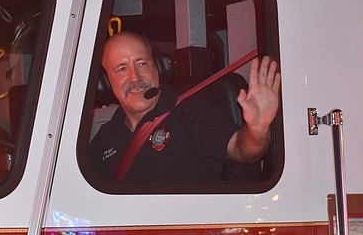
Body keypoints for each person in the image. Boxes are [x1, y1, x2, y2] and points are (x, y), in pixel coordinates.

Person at [88, 32, 281, 182]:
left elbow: (241, 149)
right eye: (122, 68)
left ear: (159, 67)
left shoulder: (190, 112)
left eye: (142, 63)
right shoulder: (106, 136)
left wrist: (257, 130)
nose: (135, 78)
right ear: (105, 83)